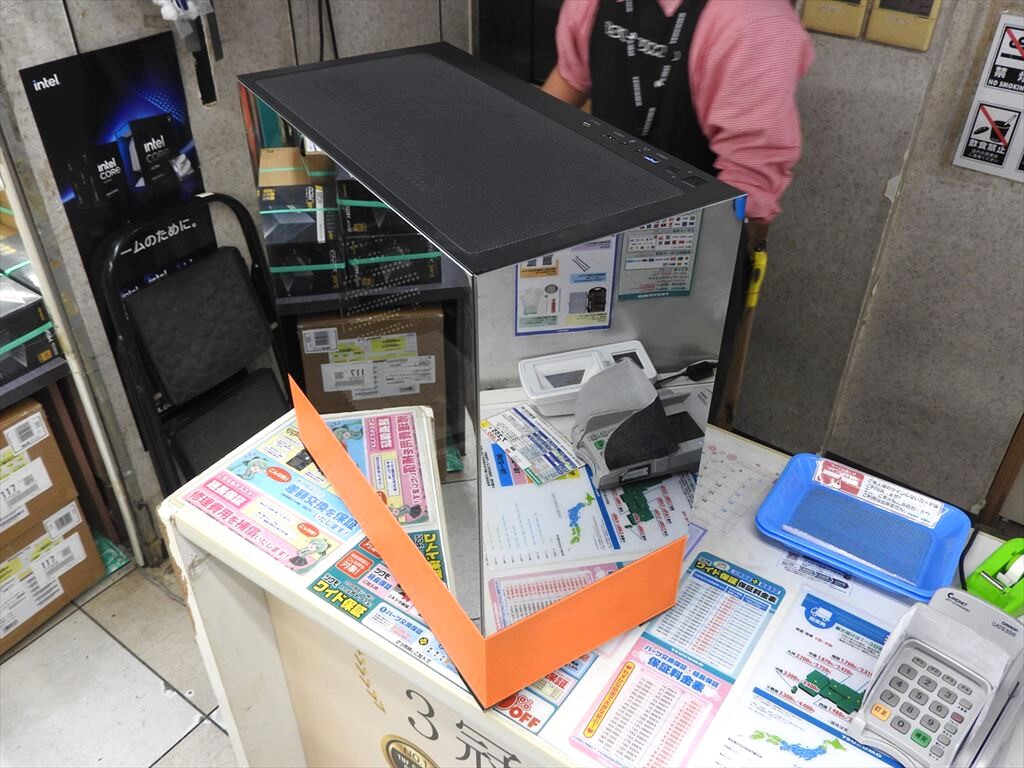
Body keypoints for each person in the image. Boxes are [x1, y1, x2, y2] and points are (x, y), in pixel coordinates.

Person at [542, 0, 814, 423]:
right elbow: (567, 83)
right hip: (593, 237)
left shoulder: (754, 20)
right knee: (573, 402)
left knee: (673, 411)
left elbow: (748, 188)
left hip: (692, 262)